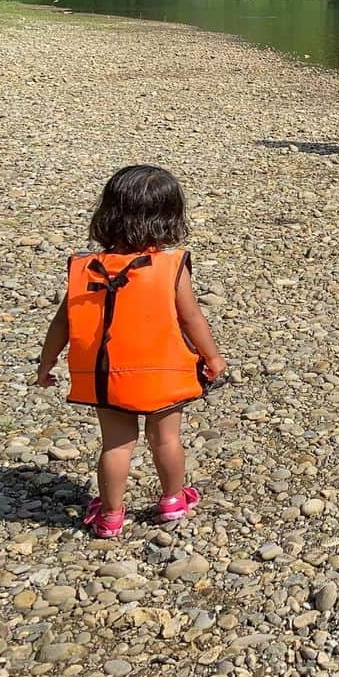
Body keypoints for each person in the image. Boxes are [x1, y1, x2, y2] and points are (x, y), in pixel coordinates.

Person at [36, 165, 227, 538]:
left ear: (106, 214)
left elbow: (63, 324)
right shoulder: (170, 266)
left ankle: (110, 515)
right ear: (170, 218)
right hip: (163, 374)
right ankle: (173, 499)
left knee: (116, 445)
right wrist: (213, 358)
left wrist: (46, 364)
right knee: (166, 439)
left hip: (107, 376)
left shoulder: (85, 268)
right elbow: (191, 319)